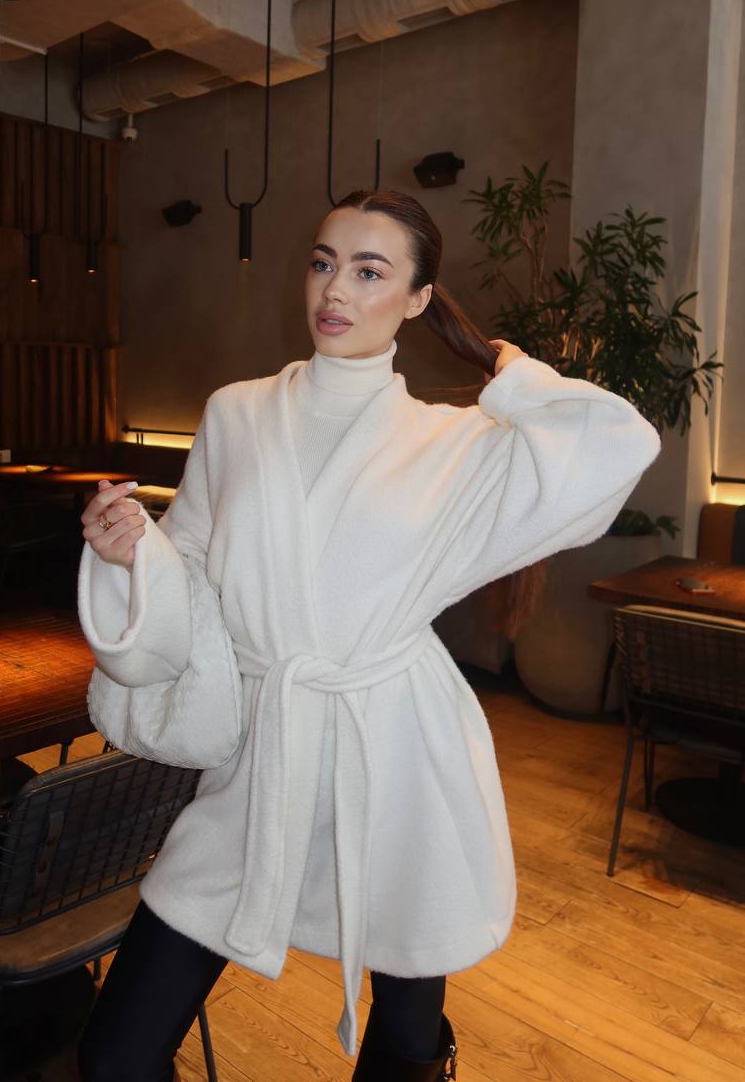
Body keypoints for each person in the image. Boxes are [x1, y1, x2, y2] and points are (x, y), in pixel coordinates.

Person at [75, 190, 661, 1082]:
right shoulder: (236, 414)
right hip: (268, 744)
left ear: (418, 299)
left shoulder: (454, 443)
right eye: (322, 262)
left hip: (397, 751)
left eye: (368, 270)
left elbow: (615, 445)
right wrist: (134, 555)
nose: (334, 289)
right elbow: (189, 567)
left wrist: (509, 373)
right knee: (117, 1053)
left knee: (406, 1032)